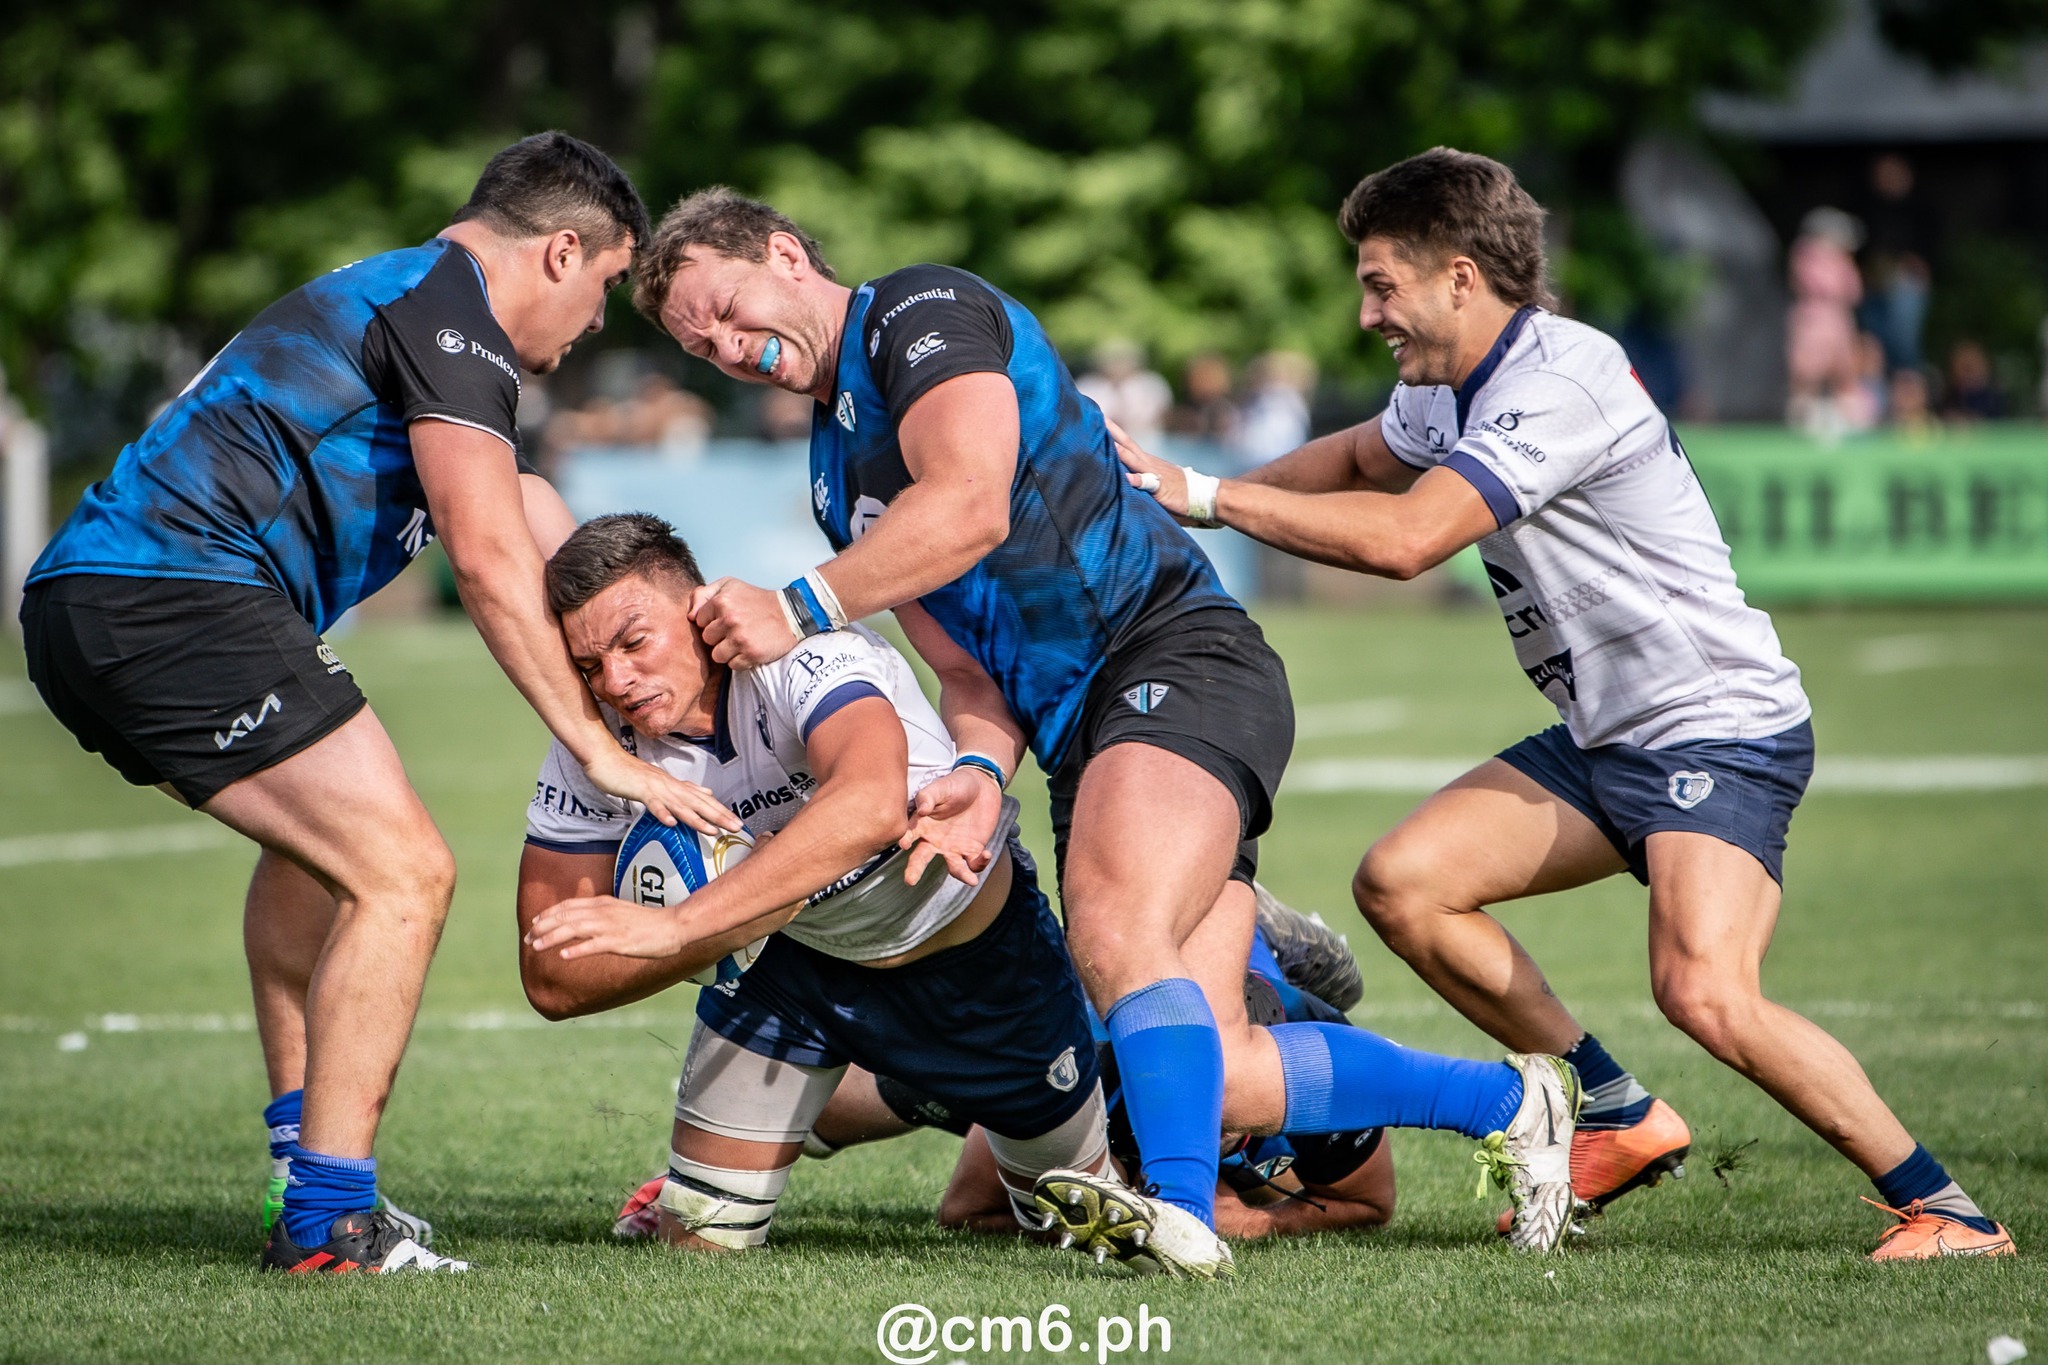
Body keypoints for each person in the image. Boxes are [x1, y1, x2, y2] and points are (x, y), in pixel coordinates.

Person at [626, 187, 1583, 1276]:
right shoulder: (833, 475)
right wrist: (982, 769)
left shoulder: (917, 313)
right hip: (1086, 730)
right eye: (693, 342)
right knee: (1202, 1059)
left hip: (1170, 656)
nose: (721, 346)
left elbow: (973, 501)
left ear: (786, 255)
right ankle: (1512, 1099)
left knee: (1113, 927)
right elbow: (962, 663)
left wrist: (797, 606)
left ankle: (1173, 1215)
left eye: (723, 306)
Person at [1116, 146, 2015, 1261]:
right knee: (1405, 886)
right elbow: (1358, 460)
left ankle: (1946, 1209)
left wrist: (1208, 496)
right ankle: (1616, 1114)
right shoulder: (1445, 389)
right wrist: (1166, 486)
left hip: (1712, 726)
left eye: (1379, 283)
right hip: (1607, 736)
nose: (1365, 315)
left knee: (1704, 992)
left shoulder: (1558, 376)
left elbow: (1403, 541)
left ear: (1458, 275)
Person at [19, 132, 731, 1276]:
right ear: (560, 252)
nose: (595, 324)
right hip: (170, 598)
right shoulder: (453, 318)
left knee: (318, 859)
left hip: (104, 600)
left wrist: (693, 656)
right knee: (403, 871)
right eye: (602, 289)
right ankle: (330, 1222)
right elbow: (490, 557)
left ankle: (300, 1170)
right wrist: (602, 753)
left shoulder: (407, 299)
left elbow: (541, 525)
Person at [517, 514, 1122, 1256]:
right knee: (697, 1242)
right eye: (587, 666)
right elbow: (551, 974)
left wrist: (683, 925)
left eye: (634, 642)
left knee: (1076, 1232)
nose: (615, 681)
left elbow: (868, 805)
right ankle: (877, 1096)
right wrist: (734, 924)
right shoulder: (593, 747)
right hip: (788, 975)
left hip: (980, 968)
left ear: (699, 607)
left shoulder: (800, 651)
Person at [747, 893, 1399, 1244]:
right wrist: (1110, 1195)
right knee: (843, 1107)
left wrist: (1256, 1220)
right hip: (1039, 1033)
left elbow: (1368, 1203)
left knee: (1253, 1176)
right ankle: (1212, 911)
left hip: (1267, 1018)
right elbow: (968, 1210)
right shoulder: (1082, 1059)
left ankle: (1253, 933)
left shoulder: (1326, 1068)